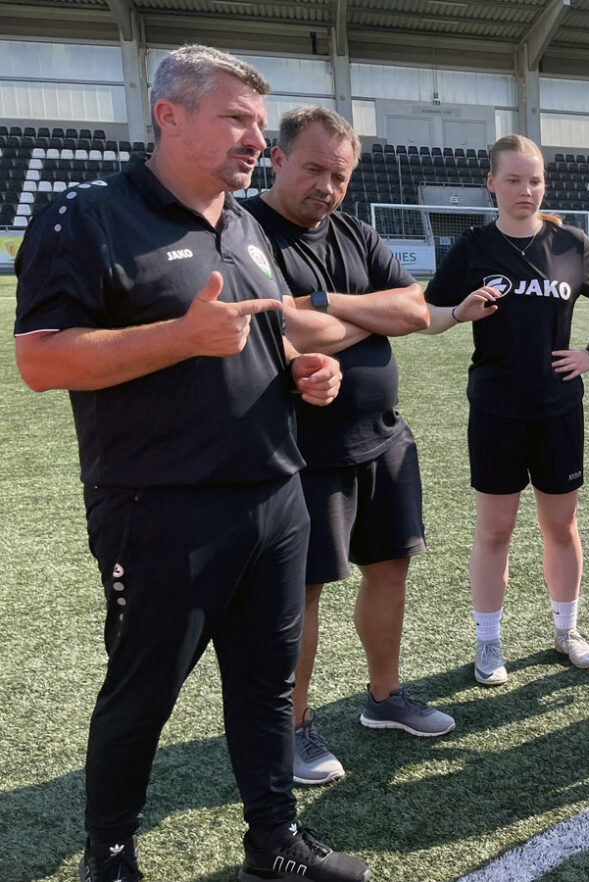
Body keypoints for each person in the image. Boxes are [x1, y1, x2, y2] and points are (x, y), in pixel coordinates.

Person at [12, 45, 368, 882]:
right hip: (160, 505)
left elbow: (261, 332)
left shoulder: (243, 222)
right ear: (168, 116)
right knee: (143, 693)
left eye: (257, 122)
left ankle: (274, 843)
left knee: (266, 685)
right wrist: (181, 337)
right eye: (235, 119)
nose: (256, 139)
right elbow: (41, 361)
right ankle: (110, 857)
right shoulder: (87, 214)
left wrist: (308, 373)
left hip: (277, 492)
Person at [244, 105, 453, 788]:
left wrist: (329, 305)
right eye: (313, 169)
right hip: (302, 452)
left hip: (384, 440)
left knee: (390, 568)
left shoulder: (354, 232)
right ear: (278, 159)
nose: (327, 187)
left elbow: (417, 311)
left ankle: (385, 699)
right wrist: (366, 314)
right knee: (299, 596)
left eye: (339, 175)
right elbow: (281, 334)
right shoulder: (246, 233)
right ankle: (292, 727)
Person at [423, 134, 589, 686]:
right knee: (495, 530)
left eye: (533, 180)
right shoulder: (471, 248)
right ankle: (489, 643)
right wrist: (459, 314)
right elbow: (429, 316)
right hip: (495, 408)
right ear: (491, 183)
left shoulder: (570, 243)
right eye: (513, 180)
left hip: (559, 406)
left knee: (561, 526)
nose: (525, 190)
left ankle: (567, 631)